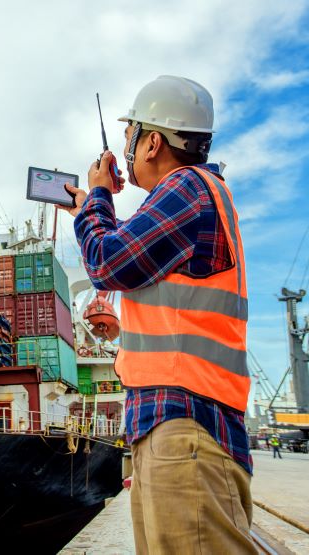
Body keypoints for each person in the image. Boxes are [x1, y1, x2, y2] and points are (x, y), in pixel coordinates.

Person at [58, 75, 253, 554]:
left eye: (129, 136)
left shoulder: (188, 188)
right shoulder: (192, 199)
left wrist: (98, 197)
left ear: (151, 142)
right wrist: (93, 209)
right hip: (172, 425)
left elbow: (107, 262)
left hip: (186, 425)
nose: (122, 149)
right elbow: (131, 254)